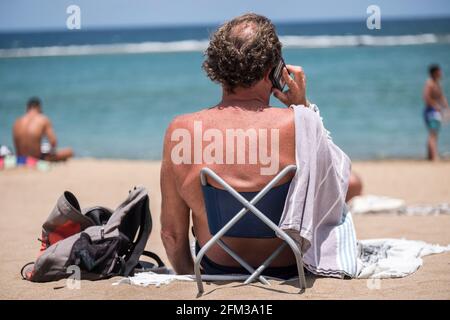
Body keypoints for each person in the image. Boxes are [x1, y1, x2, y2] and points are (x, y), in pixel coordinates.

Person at [160, 13, 360, 275]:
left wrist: (189, 275)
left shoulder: (181, 130)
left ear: (218, 69)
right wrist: (303, 107)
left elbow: (171, 234)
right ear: (273, 71)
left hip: (215, 267)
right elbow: (345, 182)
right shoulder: (300, 123)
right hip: (289, 268)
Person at [13, 97, 74, 161]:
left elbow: (16, 146)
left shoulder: (18, 121)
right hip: (36, 158)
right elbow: (53, 142)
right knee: (69, 151)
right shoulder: (43, 119)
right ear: (39, 107)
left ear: (27, 108)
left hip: (20, 158)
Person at [423, 64, 449, 161]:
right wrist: (435, 106)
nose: (441, 73)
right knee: (433, 134)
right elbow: (426, 97)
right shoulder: (429, 83)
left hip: (436, 111)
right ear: (434, 72)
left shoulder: (437, 83)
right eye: (439, 71)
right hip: (431, 111)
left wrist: (446, 107)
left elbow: (442, 97)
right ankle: (434, 157)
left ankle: (430, 156)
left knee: (434, 133)